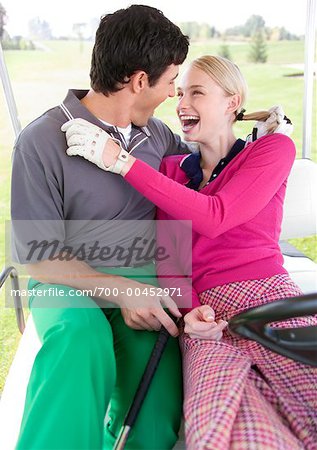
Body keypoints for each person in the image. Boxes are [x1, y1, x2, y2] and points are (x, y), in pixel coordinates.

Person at [63, 55, 317, 449]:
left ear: (232, 102)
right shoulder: (170, 171)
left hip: (268, 299)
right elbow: (172, 257)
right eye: (180, 92)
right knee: (222, 428)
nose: (181, 103)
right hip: (205, 319)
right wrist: (190, 312)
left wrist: (121, 161)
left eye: (196, 92)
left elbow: (218, 215)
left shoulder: (272, 151)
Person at [10, 5, 192, 450]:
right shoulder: (41, 140)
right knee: (79, 339)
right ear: (139, 81)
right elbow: (39, 258)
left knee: (154, 405)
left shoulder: (158, 137)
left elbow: (208, 167)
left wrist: (255, 132)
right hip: (66, 281)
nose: (173, 94)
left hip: (143, 280)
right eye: (171, 82)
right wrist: (121, 289)